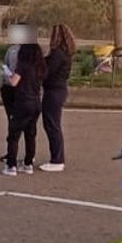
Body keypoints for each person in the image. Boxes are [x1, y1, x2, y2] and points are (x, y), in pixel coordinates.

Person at [4, 42, 48, 176]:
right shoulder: (41, 66)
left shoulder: (22, 65)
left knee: (14, 135)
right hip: (36, 101)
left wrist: (7, 74)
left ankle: (11, 165)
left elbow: (14, 82)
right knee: (30, 133)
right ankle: (28, 163)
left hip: (23, 102)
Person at [41, 24, 76, 172]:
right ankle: (57, 157)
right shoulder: (66, 53)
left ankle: (57, 159)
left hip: (53, 91)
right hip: (59, 89)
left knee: (52, 124)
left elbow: (46, 72)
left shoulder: (56, 54)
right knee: (53, 124)